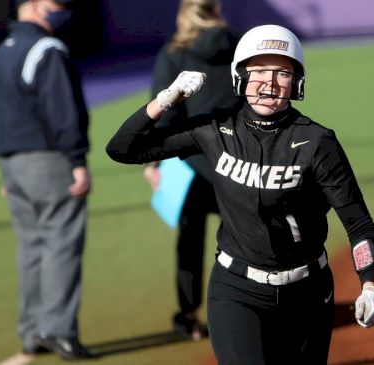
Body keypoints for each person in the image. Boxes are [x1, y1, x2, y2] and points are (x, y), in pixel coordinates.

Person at [106, 24, 374, 364]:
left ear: (297, 81)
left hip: (308, 294)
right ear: (240, 77)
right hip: (237, 290)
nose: (268, 82)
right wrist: (167, 99)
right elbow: (122, 149)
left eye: (282, 72)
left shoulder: (317, 143)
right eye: (258, 71)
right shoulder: (213, 130)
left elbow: (359, 225)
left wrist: (369, 285)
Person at [0, 0, 95, 360]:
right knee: (61, 244)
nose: (61, 9)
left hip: (11, 162)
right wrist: (77, 161)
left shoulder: (1, 51)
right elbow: (63, 111)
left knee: (30, 248)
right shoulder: (47, 49)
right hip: (47, 159)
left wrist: (7, 167)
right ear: (33, 5)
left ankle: (32, 332)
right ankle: (58, 331)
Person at [144, 0, 238, 340]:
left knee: (190, 242)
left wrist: (154, 161)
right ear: (216, 9)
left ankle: (188, 315)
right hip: (235, 160)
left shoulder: (175, 53)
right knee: (239, 242)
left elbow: (164, 111)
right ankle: (237, 311)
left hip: (190, 164)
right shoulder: (238, 45)